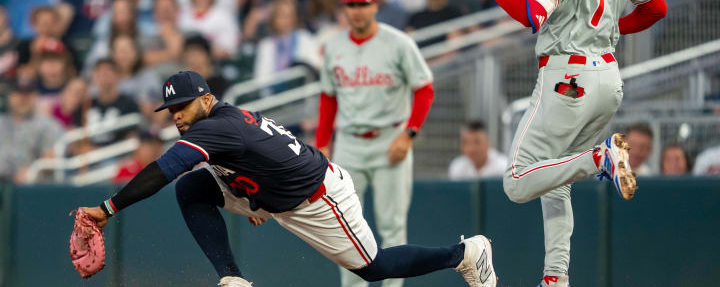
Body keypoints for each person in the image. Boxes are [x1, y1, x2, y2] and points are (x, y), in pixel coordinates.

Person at [80, 70, 497, 287]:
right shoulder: (218, 122)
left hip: (318, 198)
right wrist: (247, 196)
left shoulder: (215, 127)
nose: (177, 116)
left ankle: (463, 254)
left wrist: (106, 209)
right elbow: (227, 163)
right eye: (172, 110)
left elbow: (161, 171)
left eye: (185, 106)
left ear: (207, 100)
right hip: (272, 189)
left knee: (373, 267)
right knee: (194, 188)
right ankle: (234, 278)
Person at [470, 0, 668, 285]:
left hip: (568, 77)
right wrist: (614, 26)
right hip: (608, 77)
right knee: (555, 178)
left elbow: (532, 14)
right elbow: (656, 7)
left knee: (517, 180)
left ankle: (601, 159)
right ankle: (555, 278)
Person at [316, 0, 438, 287]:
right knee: (344, 227)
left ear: (375, 5)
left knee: (392, 227)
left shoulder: (398, 43)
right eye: (351, 5)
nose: (357, 11)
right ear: (344, 8)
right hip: (349, 145)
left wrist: (408, 134)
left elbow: (424, 90)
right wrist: (322, 144)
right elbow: (328, 97)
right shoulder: (334, 47)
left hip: (389, 139)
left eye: (363, 4)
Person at [0, 78, 65, 182]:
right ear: (9, 96)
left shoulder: (48, 125)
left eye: (27, 94)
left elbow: (51, 164)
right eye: (18, 93)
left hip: (32, 188)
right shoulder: (2, 122)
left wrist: (33, 172)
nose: (23, 98)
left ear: (35, 96)